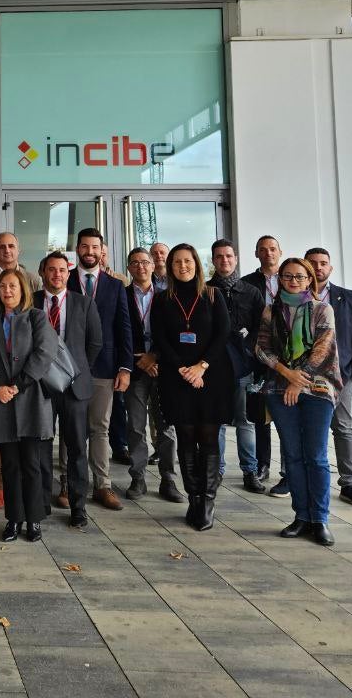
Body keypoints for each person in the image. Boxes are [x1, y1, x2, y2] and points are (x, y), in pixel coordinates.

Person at [253, 257, 340, 545]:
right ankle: (301, 516)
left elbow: (323, 350)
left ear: (309, 280)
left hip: (317, 389)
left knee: (315, 455)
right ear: (280, 281)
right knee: (292, 455)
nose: (294, 281)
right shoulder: (271, 310)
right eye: (288, 276)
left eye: (300, 277)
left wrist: (297, 379)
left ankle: (320, 519)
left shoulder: (321, 309)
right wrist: (285, 373)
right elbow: (261, 348)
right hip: (279, 390)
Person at [152, 244, 232, 531]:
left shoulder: (213, 295)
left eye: (187, 261)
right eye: (176, 262)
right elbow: (160, 338)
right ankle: (194, 498)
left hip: (211, 376)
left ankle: (208, 500)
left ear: (197, 264)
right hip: (176, 377)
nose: (182, 266)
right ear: (170, 267)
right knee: (185, 437)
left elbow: (223, 333)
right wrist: (183, 369)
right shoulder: (162, 299)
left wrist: (201, 367)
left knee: (208, 437)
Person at [0, 269, 58, 542]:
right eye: (2, 287)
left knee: (32, 464)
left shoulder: (36, 317)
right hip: (0, 400)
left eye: (12, 286)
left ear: (22, 289)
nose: (7, 291)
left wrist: (18, 385)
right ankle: (14, 519)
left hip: (30, 399)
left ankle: (34, 520)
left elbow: (44, 353)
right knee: (9, 465)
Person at [66, 228, 132, 509]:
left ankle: (102, 485)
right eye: (84, 247)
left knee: (100, 428)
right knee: (69, 429)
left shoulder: (115, 285)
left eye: (95, 247)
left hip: (104, 368)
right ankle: (68, 485)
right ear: (77, 249)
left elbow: (124, 328)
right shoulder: (63, 279)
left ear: (101, 250)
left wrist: (125, 367)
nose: (89, 252)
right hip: (67, 367)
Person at [304, 247, 352, 508]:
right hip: (303, 377)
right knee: (302, 429)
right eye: (313, 263)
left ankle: (349, 483)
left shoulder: (351, 298)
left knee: (343, 428)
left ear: (330, 268)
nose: (318, 267)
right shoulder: (292, 299)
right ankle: (292, 478)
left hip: (339, 377)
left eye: (323, 263)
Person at [36, 252, 101, 527]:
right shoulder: (32, 303)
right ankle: (39, 504)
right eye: (51, 270)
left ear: (68, 273)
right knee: (39, 447)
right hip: (39, 387)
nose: (57, 275)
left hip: (75, 388)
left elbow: (95, 344)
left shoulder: (84, 304)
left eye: (62, 270)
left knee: (76, 449)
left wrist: (73, 371)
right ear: (43, 272)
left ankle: (78, 506)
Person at [208, 239, 267, 494]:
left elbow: (262, 329)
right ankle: (217, 470)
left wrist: (248, 342)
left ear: (236, 259)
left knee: (245, 422)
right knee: (217, 421)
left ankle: (250, 472)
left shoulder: (252, 291)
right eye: (219, 257)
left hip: (243, 365)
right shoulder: (205, 290)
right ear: (213, 260)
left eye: (229, 256)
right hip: (213, 366)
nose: (225, 261)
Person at [123, 248, 181, 502]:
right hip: (135, 369)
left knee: (166, 427)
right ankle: (138, 478)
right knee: (136, 426)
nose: (141, 267)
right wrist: (139, 359)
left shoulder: (168, 295)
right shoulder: (121, 295)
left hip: (163, 368)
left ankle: (168, 480)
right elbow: (119, 332)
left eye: (145, 262)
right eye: (135, 263)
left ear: (153, 265)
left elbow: (174, 333)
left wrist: (155, 356)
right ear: (129, 268)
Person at [242, 234, 281, 484]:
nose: (268, 253)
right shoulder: (247, 284)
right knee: (260, 414)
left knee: (290, 414)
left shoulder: (292, 277)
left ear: (280, 251)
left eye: (273, 249)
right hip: (258, 354)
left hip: (290, 355)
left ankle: (289, 470)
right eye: (263, 250)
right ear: (256, 254)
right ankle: (263, 465)